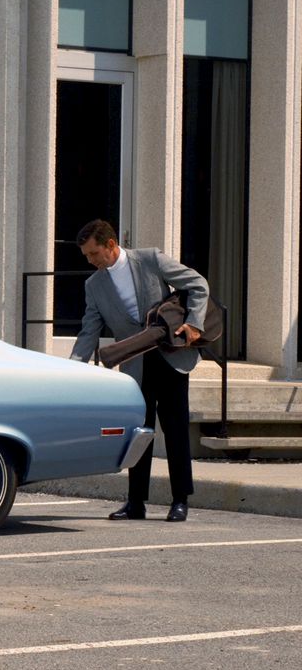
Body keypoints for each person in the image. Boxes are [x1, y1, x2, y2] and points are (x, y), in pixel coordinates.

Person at [70, 219, 210, 522]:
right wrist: (73, 367)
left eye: (93, 254)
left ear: (110, 245)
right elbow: (89, 330)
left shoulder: (149, 259)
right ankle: (136, 502)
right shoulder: (94, 285)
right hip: (134, 365)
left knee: (175, 431)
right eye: (86, 256)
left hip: (171, 358)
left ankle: (180, 500)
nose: (90, 261)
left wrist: (195, 323)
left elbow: (198, 284)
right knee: (138, 433)